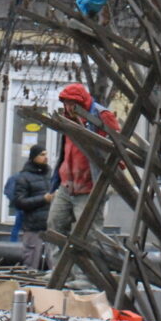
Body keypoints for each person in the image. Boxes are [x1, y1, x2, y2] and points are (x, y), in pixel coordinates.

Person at [47, 84, 121, 273]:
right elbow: (65, 152)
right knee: (55, 226)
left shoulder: (101, 116)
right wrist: (55, 184)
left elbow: (118, 150)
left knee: (88, 234)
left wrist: (110, 177)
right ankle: (60, 272)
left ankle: (87, 276)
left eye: (71, 104)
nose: (68, 108)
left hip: (90, 187)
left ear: (80, 103)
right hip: (67, 186)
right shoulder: (67, 119)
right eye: (65, 104)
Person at [12, 145, 54, 271]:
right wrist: (43, 199)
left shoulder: (50, 175)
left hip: (51, 225)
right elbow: (19, 202)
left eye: (46, 154)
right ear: (33, 157)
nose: (45, 158)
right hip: (33, 225)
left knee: (54, 262)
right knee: (30, 263)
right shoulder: (23, 177)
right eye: (42, 155)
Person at [3, 171, 24, 242]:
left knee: (17, 226)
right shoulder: (26, 177)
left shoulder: (14, 177)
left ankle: (13, 242)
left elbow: (7, 191)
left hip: (19, 205)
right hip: (25, 205)